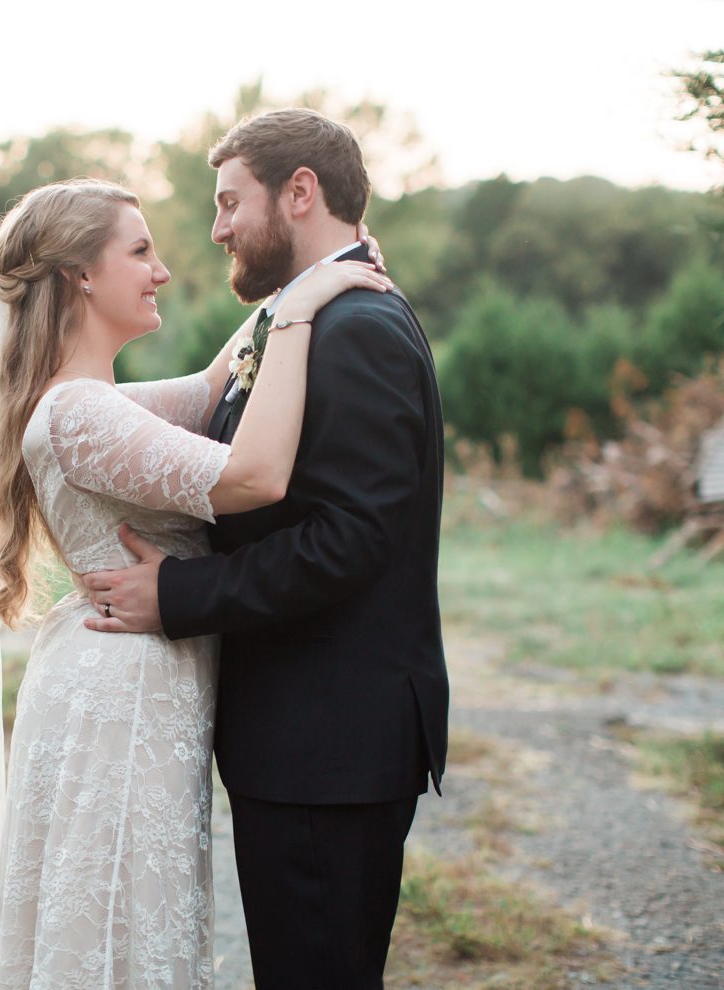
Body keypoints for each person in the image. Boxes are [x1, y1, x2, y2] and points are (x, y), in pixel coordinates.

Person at [0, 177, 392, 989]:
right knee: (114, 927)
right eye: (140, 251)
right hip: (121, 697)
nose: (163, 270)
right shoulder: (79, 415)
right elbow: (254, 475)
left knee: (126, 926)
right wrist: (305, 307)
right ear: (80, 276)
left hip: (129, 684)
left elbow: (210, 389)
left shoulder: (96, 403)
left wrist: (303, 284)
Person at [80, 108, 450, 989]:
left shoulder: (356, 331)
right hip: (308, 736)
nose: (215, 230)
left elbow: (350, 539)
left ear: (300, 192)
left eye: (228, 203)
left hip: (331, 740)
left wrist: (178, 596)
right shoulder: (309, 318)